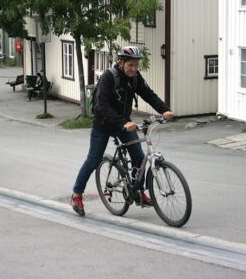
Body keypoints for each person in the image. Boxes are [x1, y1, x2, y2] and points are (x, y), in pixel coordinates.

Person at [70, 46, 174, 216]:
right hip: (103, 125)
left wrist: (164, 110)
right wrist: (123, 122)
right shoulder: (108, 77)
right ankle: (76, 194)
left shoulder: (135, 78)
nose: (134, 69)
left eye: (136, 65)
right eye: (130, 65)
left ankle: (138, 192)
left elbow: (148, 94)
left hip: (124, 124)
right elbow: (100, 105)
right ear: (121, 62)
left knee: (139, 158)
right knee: (93, 160)